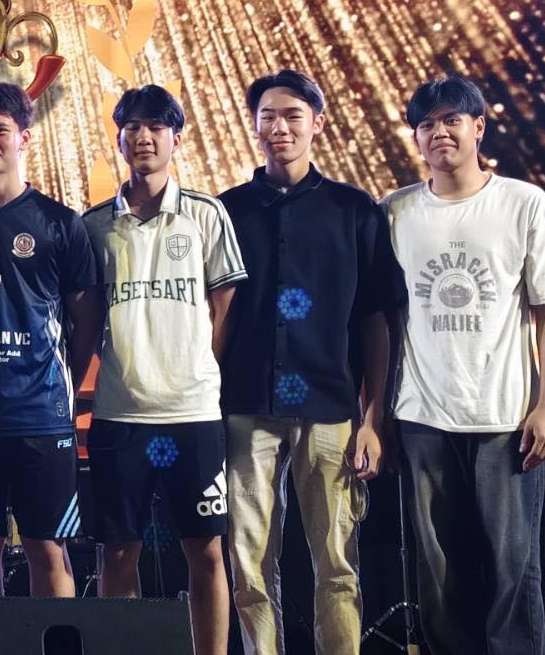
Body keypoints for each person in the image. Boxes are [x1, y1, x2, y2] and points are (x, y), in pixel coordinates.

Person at [382, 75, 545, 655]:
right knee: (440, 580)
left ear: (478, 127)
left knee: (515, 574)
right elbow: (382, 322)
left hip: (505, 420)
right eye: (427, 124)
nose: (440, 132)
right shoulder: (394, 211)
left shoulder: (523, 203)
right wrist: (378, 415)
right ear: (416, 137)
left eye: (452, 120)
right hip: (423, 419)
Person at [218, 69, 402, 655]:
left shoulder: (355, 210)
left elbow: (376, 320)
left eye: (293, 115)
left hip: (330, 408)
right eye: (268, 116)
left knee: (337, 564)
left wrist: (373, 418)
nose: (280, 127)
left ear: (317, 123)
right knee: (247, 562)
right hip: (246, 405)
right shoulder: (226, 211)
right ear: (254, 126)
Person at [79, 86, 245, 655]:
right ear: (119, 138)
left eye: (156, 127)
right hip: (119, 414)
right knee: (117, 550)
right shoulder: (94, 225)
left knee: (205, 550)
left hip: (192, 414)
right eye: (132, 127)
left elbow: (224, 305)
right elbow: (85, 319)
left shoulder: (206, 213)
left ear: (176, 138)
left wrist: (198, 367)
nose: (144, 137)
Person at [0, 81, 104, 598]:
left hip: (40, 415)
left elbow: (86, 320)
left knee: (46, 549)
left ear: (24, 138)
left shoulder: (60, 223)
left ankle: (58, 639)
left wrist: (62, 382)